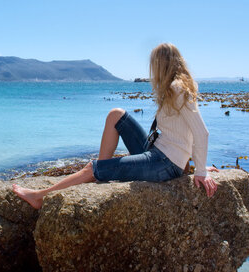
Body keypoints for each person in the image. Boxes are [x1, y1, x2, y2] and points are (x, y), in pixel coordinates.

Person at [12, 43, 218, 209]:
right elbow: (183, 133)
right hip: (159, 152)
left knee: (90, 168)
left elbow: (201, 132)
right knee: (116, 115)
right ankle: (104, 171)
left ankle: (39, 197)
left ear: (160, 65)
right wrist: (192, 164)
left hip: (163, 163)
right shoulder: (174, 88)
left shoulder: (177, 88)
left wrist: (201, 170)